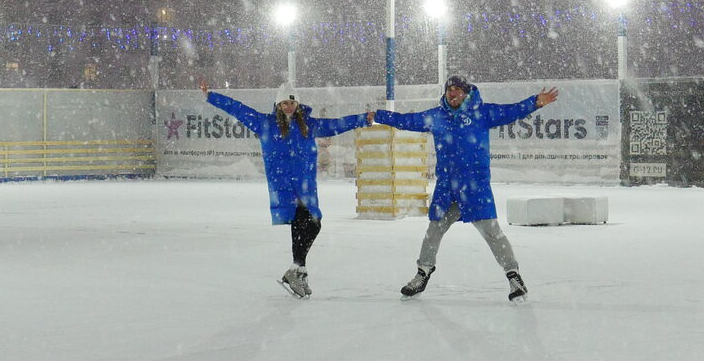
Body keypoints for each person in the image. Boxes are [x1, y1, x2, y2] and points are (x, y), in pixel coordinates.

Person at [375, 75, 559, 301]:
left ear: (466, 93)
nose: (452, 94)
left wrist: (534, 102)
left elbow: (511, 111)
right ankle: (422, 274)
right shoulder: (436, 116)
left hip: (475, 188)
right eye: (449, 90)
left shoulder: (481, 113)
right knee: (434, 231)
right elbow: (408, 120)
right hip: (447, 189)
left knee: (492, 233)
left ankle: (514, 277)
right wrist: (381, 116)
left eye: (457, 90)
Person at [200, 79, 372, 297]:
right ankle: (298, 270)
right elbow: (239, 110)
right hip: (283, 185)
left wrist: (362, 120)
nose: (288, 107)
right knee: (305, 223)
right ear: (278, 106)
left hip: (305, 185)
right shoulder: (266, 124)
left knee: (309, 225)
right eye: (283, 104)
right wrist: (212, 97)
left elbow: (337, 124)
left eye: (291, 103)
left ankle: (298, 270)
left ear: (297, 104)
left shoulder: (308, 125)